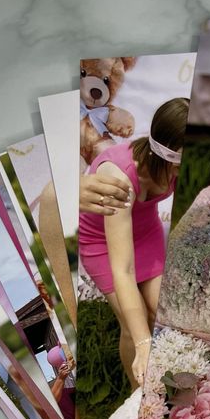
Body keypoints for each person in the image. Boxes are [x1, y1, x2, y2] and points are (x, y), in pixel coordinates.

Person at [78, 97, 189, 387]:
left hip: (146, 232)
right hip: (102, 244)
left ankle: (173, 380)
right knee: (133, 327)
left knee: (160, 311)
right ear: (168, 154)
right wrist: (143, 342)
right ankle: (136, 392)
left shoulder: (173, 169)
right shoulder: (119, 178)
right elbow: (123, 270)